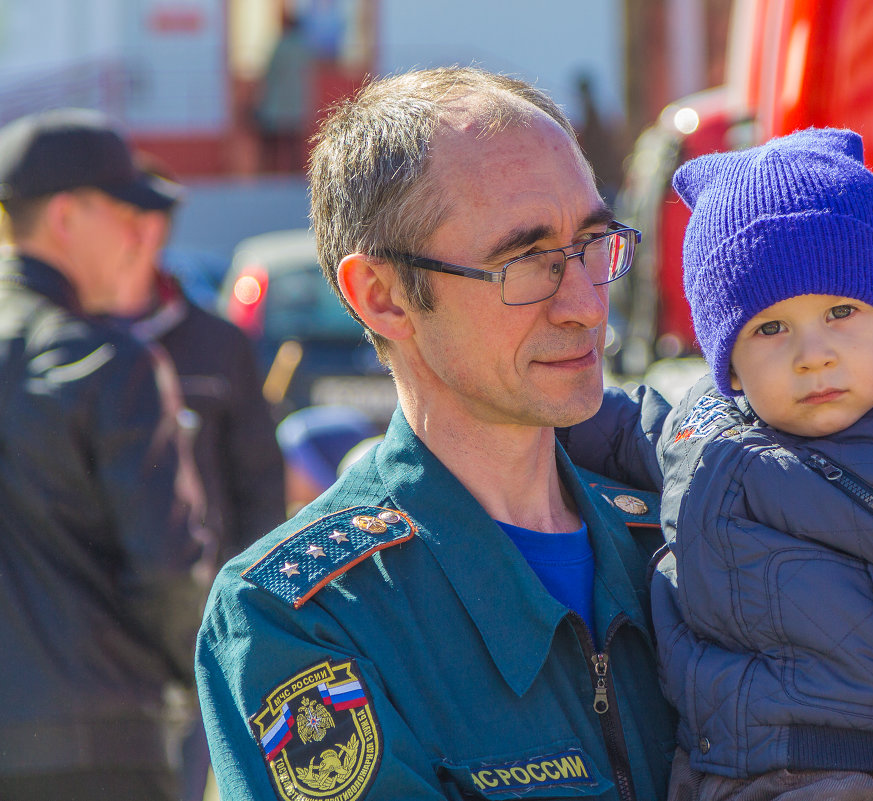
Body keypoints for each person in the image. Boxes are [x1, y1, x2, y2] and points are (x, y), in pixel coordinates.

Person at [195, 66, 677, 801]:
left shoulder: (680, 539)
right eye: (527, 261)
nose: (584, 302)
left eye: (593, 241)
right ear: (383, 296)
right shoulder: (301, 618)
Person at [560, 129, 873, 801]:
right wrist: (546, 409)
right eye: (770, 329)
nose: (814, 354)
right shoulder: (704, 426)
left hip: (860, 773)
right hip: (714, 771)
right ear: (730, 364)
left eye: (841, 312)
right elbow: (627, 430)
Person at [0, 108, 206, 800]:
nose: (139, 235)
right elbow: (165, 566)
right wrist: (212, 675)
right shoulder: (109, 362)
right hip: (100, 745)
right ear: (66, 216)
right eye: (124, 212)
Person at [101, 160, 288, 801]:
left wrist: (243, 603)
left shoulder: (217, 344)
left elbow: (258, 481)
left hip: (198, 622)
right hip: (93, 624)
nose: (139, 234)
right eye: (125, 218)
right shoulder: (66, 347)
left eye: (152, 219)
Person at [254, 10, 314, 173]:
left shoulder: (280, 45)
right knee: (294, 142)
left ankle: (269, 172)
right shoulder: (303, 46)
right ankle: (295, 172)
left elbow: (271, 73)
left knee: (272, 142)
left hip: (277, 101)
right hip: (296, 101)